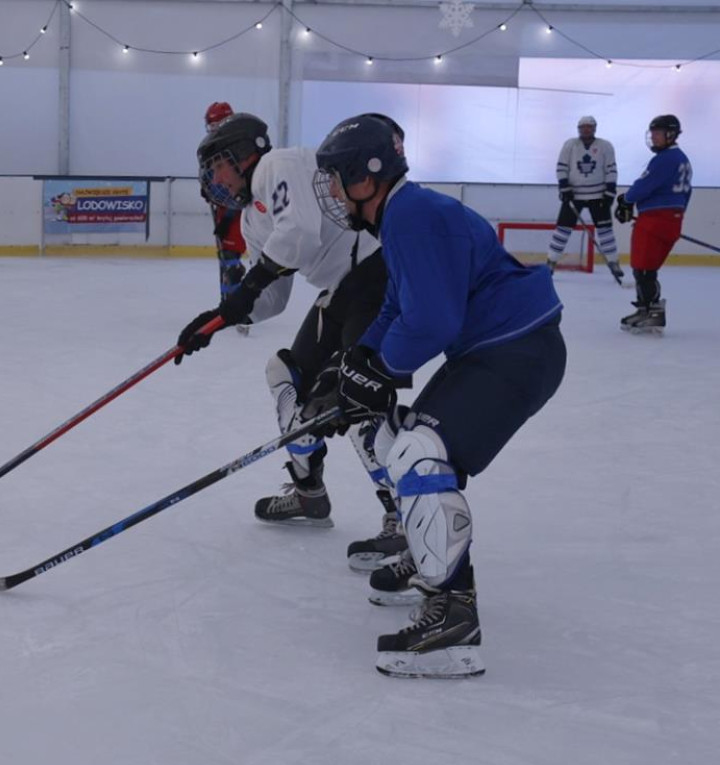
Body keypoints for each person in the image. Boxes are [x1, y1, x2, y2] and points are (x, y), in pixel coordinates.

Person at [309, 114, 567, 678]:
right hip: (496, 349)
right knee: (405, 443)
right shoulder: (404, 214)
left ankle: (454, 621)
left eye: (337, 177)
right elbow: (399, 308)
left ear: (368, 175)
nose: (330, 190)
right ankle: (433, 563)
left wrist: (378, 374)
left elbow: (432, 321)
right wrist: (356, 366)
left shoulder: (413, 215)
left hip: (516, 351)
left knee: (419, 453)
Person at [174, 113, 403, 558]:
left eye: (218, 164)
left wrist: (250, 285)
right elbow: (273, 299)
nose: (213, 178)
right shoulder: (249, 223)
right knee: (285, 373)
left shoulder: (279, 165)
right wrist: (217, 319)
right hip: (341, 292)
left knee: (355, 396)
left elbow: (298, 233)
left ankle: (401, 512)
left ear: (244, 153)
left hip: (378, 280)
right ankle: (308, 490)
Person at [614, 115, 692, 333]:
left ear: (671, 134)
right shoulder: (681, 158)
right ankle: (647, 308)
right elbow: (687, 193)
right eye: (653, 133)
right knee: (646, 267)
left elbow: (645, 185)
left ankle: (652, 311)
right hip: (667, 219)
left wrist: (626, 200)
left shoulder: (665, 159)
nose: (654, 138)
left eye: (658, 133)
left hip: (656, 220)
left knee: (644, 267)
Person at [548, 116, 623, 283]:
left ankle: (613, 262)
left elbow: (611, 169)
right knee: (563, 229)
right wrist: (564, 187)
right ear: (578, 129)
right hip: (574, 195)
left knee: (605, 230)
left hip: (599, 195)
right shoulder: (570, 145)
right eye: (583, 127)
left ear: (595, 128)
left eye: (589, 127)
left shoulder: (605, 146)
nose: (586, 130)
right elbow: (561, 167)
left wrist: (610, 192)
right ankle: (551, 262)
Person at [203, 102, 250, 335]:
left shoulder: (236, 150)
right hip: (224, 213)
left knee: (232, 263)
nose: (213, 129)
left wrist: (227, 218)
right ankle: (227, 304)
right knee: (225, 261)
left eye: (216, 124)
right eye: (210, 125)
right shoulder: (214, 148)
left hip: (238, 216)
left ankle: (239, 311)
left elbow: (240, 192)